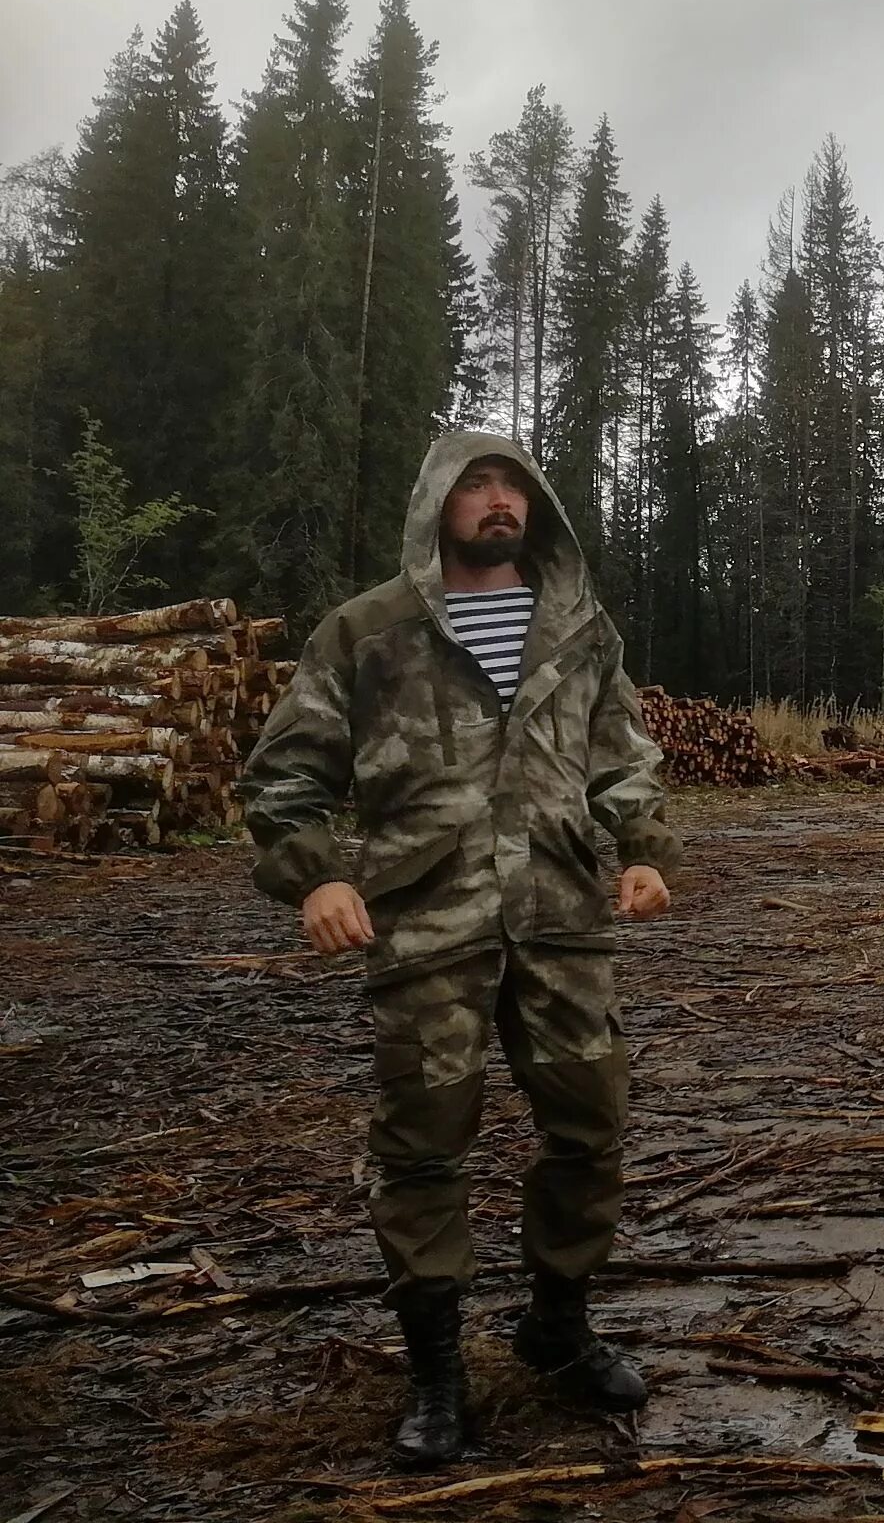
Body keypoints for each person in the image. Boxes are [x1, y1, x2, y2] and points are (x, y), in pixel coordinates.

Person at [240, 432, 680, 1466]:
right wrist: (321, 875)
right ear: (435, 501)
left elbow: (619, 756)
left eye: (513, 486)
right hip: (426, 924)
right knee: (422, 1145)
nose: (496, 502)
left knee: (591, 1125)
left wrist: (646, 848)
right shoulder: (368, 631)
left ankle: (557, 1332)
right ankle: (435, 1368)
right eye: (475, 485)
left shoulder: (578, 627)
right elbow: (284, 776)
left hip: (563, 917)